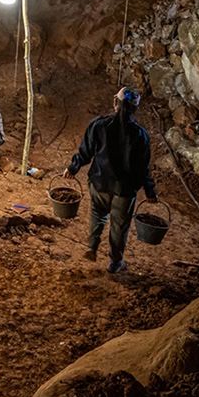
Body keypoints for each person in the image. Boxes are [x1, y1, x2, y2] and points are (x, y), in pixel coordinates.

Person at [64, 87, 159, 273]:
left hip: (99, 183)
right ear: (135, 109)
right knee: (119, 226)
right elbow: (143, 168)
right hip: (124, 190)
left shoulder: (99, 125)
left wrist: (73, 168)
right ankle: (115, 263)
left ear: (115, 103)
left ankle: (92, 247)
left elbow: (85, 152)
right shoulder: (140, 135)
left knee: (97, 214)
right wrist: (149, 191)